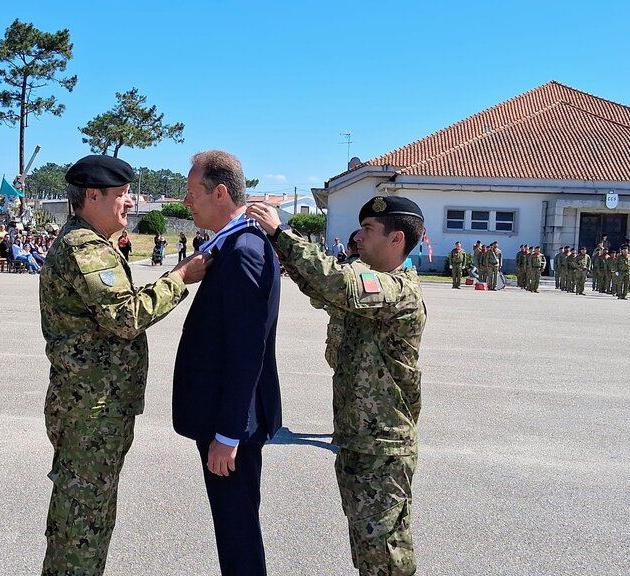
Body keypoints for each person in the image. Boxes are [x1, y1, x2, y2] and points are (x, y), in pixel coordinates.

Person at [38, 154, 208, 576]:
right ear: (92, 196)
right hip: (89, 411)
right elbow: (126, 317)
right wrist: (180, 277)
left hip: (96, 406)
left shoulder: (98, 244)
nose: (129, 202)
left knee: (87, 517)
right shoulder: (84, 248)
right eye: (122, 193)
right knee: (83, 524)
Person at [247, 194, 427, 576]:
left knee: (386, 552)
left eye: (368, 229)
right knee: (367, 545)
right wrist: (286, 257)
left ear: (397, 240)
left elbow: (337, 282)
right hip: (357, 439)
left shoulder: (399, 291)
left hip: (384, 446)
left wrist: (281, 233)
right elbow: (323, 288)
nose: (358, 237)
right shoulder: (367, 287)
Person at [173, 150, 281, 576]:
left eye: (191, 193)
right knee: (235, 526)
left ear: (220, 192)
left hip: (229, 422)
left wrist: (228, 434)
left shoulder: (244, 251)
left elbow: (246, 349)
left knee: (237, 532)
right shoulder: (231, 245)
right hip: (224, 417)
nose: (186, 202)